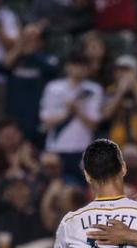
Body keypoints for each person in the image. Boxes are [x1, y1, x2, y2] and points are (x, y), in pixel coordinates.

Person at [39, 52, 103, 182]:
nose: (78, 69)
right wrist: (67, 112)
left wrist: (77, 110)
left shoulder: (94, 90)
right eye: (75, 64)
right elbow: (46, 121)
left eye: (82, 65)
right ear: (68, 67)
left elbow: (94, 125)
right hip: (56, 148)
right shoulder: (54, 88)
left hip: (83, 148)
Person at [0, 21, 60, 146]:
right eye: (26, 38)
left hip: (37, 115)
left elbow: (52, 69)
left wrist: (31, 53)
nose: (29, 41)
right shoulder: (15, 57)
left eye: (33, 38)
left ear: (41, 41)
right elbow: (2, 68)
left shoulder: (48, 58)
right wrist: (19, 46)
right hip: (14, 114)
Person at [101, 55, 137, 148]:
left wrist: (135, 89)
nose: (122, 73)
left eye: (127, 70)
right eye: (119, 70)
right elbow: (106, 114)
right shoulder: (110, 91)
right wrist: (120, 92)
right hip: (114, 145)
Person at [0, 176, 52, 248]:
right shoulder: (6, 219)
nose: (19, 193)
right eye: (15, 189)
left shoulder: (42, 215)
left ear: (30, 191)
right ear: (9, 193)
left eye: (22, 188)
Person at [0, 119, 39, 194]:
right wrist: (7, 176)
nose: (9, 139)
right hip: (4, 197)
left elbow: (41, 180)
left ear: (20, 134)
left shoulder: (30, 151)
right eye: (5, 135)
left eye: (12, 134)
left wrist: (29, 163)